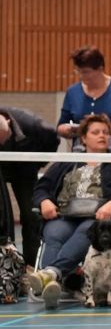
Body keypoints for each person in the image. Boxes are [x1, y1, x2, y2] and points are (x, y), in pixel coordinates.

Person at [29, 114, 111, 309]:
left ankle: (51, 275)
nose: (102, 136)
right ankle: (54, 282)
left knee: (87, 231)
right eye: (96, 132)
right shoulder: (67, 161)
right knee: (54, 233)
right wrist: (44, 201)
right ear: (83, 138)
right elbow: (41, 187)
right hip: (64, 215)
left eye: (105, 132)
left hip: (98, 217)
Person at [0, 107, 59, 266]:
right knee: (3, 215)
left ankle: (30, 265)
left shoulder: (35, 125)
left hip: (25, 169)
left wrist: (38, 164)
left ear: (9, 123)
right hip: (1, 167)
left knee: (30, 216)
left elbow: (54, 140)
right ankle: (6, 263)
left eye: (4, 139)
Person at [58, 46, 111, 151]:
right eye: (78, 71)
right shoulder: (72, 92)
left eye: (86, 72)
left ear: (100, 68)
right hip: (81, 153)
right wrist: (67, 130)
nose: (81, 76)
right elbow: (61, 124)